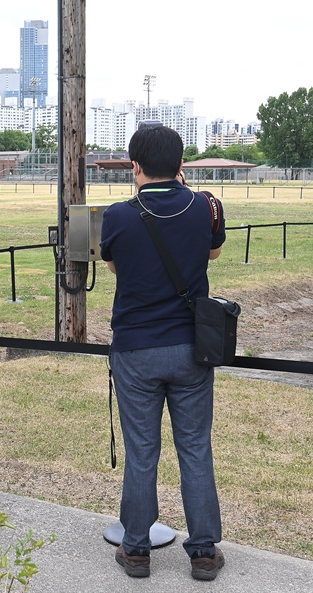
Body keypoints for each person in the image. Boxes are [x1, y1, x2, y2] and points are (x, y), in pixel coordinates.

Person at [99, 124, 227, 581]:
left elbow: (114, 265)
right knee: (195, 449)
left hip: (136, 348)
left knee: (142, 452)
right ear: (181, 166)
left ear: (134, 166)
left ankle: (135, 548)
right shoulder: (205, 205)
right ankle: (204, 552)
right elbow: (211, 255)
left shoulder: (118, 214)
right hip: (192, 347)